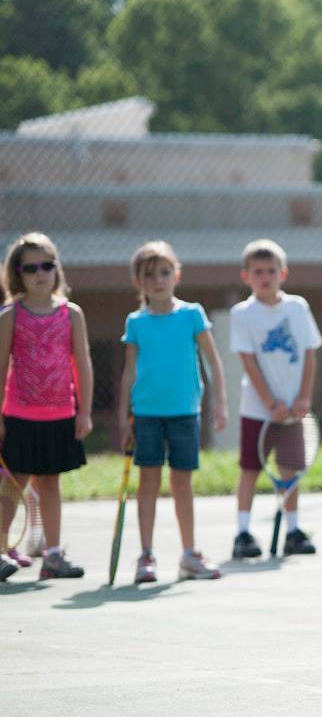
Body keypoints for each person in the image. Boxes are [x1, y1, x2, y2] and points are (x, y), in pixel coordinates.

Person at [117, 241, 227, 583]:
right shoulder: (136, 322)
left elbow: (213, 361)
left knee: (182, 482)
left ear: (176, 275)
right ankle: (146, 555)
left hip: (184, 413)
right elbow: (130, 372)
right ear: (139, 282)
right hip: (147, 415)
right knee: (148, 481)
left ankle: (189, 554)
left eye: (164, 273)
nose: (158, 281)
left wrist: (220, 402)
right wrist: (124, 416)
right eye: (149, 276)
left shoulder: (192, 314)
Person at [0, 233, 93, 580]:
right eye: (31, 268)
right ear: (18, 274)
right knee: (13, 484)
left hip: (60, 415)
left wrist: (83, 411)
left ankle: (53, 556)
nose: (40, 273)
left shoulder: (72, 314)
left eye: (47, 265)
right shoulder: (10, 315)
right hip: (19, 416)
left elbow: (82, 363)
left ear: (57, 269)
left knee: (50, 483)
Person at [229, 239, 322, 559]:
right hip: (258, 410)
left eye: (271, 271)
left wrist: (303, 398)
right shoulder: (242, 314)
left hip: (294, 409)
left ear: (283, 274)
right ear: (246, 277)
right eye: (257, 272)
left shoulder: (298, 307)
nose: (264, 277)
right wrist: (270, 403)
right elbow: (249, 362)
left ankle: (293, 530)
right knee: (251, 469)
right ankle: (242, 533)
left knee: (290, 469)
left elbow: (309, 353)